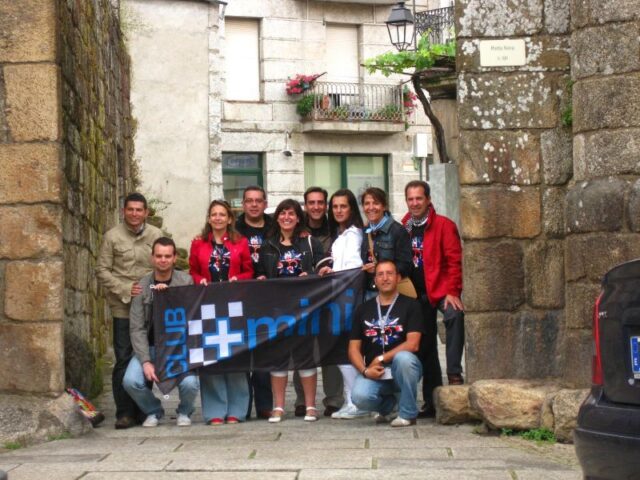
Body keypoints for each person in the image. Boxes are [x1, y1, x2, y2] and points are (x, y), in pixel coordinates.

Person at [96, 192, 163, 429]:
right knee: (124, 357)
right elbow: (102, 270)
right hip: (123, 305)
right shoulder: (112, 237)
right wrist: (125, 288)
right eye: (130, 209)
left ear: (146, 212)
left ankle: (144, 409)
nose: (134, 214)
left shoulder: (156, 235)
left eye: (139, 210)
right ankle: (124, 412)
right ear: (123, 211)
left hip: (149, 306)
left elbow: (164, 263)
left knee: (146, 356)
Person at [256, 198, 325, 423]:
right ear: (277, 217)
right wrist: (261, 277)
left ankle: (311, 406)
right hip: (277, 310)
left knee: (305, 357)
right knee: (278, 358)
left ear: (298, 218)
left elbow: (325, 268)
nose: (287, 217)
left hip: (305, 308)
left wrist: (311, 275)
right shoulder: (267, 245)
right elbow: (259, 271)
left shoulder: (310, 242)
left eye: (291, 214)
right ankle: (278, 407)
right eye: (283, 213)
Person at [189, 200, 254, 425]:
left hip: (234, 306)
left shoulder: (240, 242)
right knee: (211, 356)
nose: (218, 218)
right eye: (214, 214)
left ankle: (237, 410)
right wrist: (200, 279)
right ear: (209, 218)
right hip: (208, 306)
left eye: (222, 214)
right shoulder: (198, 244)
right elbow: (192, 271)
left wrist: (238, 278)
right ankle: (215, 411)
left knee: (235, 355)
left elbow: (249, 271)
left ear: (229, 219)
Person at [123, 237, 198, 427]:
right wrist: (145, 361)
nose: (163, 260)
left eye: (167, 256)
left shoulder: (186, 281)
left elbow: (191, 316)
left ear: (174, 258)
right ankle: (154, 410)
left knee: (190, 384)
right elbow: (137, 327)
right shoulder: (141, 285)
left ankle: (185, 411)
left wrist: (169, 295)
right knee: (130, 381)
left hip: (177, 349)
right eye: (159, 256)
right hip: (150, 347)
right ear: (152, 258)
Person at [402, 180, 464, 394]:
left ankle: (454, 372)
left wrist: (453, 291)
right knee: (425, 342)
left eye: (419, 198)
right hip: (416, 294)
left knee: (454, 315)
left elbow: (454, 261)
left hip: (440, 289)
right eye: (410, 199)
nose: (415, 203)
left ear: (428, 199)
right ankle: (431, 399)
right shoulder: (404, 226)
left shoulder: (444, 225)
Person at [349, 260, 424, 427]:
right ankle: (390, 407)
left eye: (390, 273)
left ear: (398, 278)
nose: (385, 278)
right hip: (376, 372)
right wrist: (365, 370)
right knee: (359, 397)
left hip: (402, 369)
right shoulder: (362, 309)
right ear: (375, 280)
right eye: (380, 274)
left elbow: (413, 344)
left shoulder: (411, 305)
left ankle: (408, 414)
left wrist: (381, 358)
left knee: (404, 358)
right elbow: (353, 348)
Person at [292, 186, 343, 418]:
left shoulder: (336, 229)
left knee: (331, 347)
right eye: (311, 202)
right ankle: (302, 400)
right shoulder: (296, 229)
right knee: (302, 348)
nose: (316, 207)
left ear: (326, 205)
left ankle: (333, 400)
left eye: (320, 202)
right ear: (305, 205)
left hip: (331, 297)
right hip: (302, 299)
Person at [318, 189, 369, 420]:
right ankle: (352, 400)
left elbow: (354, 266)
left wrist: (338, 273)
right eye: (335, 207)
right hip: (338, 298)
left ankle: (357, 401)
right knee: (341, 350)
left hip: (350, 298)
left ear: (351, 208)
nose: (338, 210)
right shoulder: (338, 235)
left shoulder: (356, 234)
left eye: (343, 206)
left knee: (349, 349)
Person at [235, 185, 274, 420]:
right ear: (243, 204)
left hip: (267, 296)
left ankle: (265, 404)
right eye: (249, 200)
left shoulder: (274, 226)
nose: (254, 204)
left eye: (258, 200)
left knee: (264, 351)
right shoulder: (234, 228)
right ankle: (242, 406)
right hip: (240, 295)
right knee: (240, 351)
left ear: (265, 204)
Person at [360, 187, 413, 298]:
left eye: (376, 203)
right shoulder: (365, 230)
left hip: (391, 292)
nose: (371, 207)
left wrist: (379, 269)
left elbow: (406, 265)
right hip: (369, 291)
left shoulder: (398, 231)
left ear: (384, 206)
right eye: (367, 204)